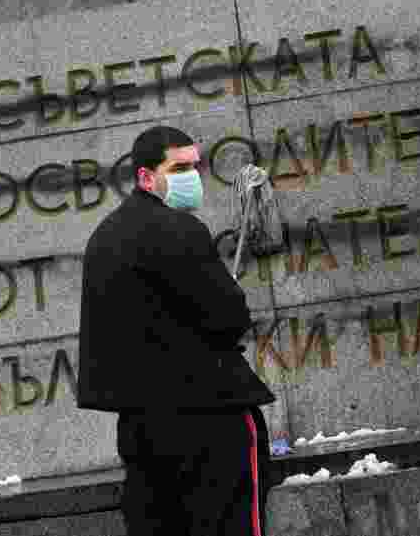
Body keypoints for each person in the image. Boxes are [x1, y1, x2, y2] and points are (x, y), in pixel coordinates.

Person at [78, 125, 277, 535]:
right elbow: (229, 319)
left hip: (142, 425)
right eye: (180, 167)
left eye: (195, 166)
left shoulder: (103, 238)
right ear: (146, 177)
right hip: (211, 417)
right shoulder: (182, 230)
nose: (192, 177)